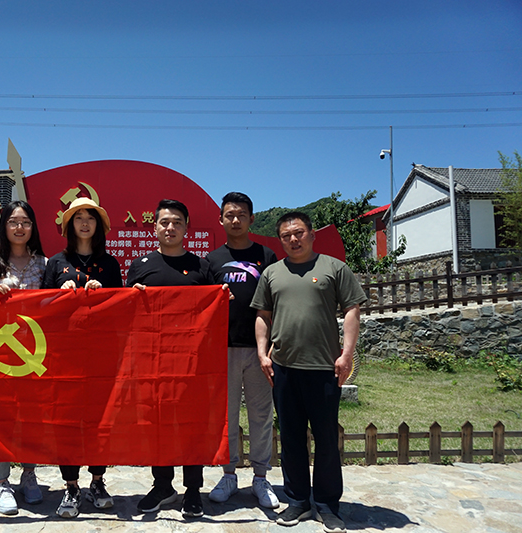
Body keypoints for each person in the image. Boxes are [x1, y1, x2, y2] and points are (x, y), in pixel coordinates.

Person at [252, 211, 366, 533]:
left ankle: (328, 505)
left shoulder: (334, 268)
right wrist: (262, 353)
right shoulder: (272, 273)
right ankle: (298, 500)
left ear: (312, 234)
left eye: (299, 233)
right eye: (286, 235)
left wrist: (346, 354)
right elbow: (262, 315)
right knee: (290, 438)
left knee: (326, 438)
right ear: (280, 240)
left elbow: (352, 309)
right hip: (284, 368)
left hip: (323, 368)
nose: (293, 239)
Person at [126, 198, 215, 519]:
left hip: (192, 360)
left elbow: (213, 311)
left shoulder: (202, 267)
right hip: (153, 359)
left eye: (177, 222)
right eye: (164, 222)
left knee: (191, 424)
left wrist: (223, 299)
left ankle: (193, 490)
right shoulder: (140, 266)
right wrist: (132, 298)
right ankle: (162, 486)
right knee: (158, 424)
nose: (170, 228)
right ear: (155, 227)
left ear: (186, 228)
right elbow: (126, 313)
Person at [42, 197, 122, 519]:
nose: (85, 222)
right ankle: (71, 486)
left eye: (90, 217)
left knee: (100, 419)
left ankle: (98, 482)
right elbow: (40, 308)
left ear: (98, 225)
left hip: (102, 355)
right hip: (65, 356)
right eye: (78, 217)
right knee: (67, 421)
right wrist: (58, 296)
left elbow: (121, 308)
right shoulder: (56, 263)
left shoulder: (110, 264)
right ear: (69, 225)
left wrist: (104, 295)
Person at [0, 200, 47, 516]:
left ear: (33, 227)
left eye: (25, 222)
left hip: (36, 356)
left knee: (31, 418)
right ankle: (1, 482)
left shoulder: (44, 263)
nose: (19, 227)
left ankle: (29, 473)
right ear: (4, 227)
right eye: (13, 222)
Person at [206, 192, 279, 508]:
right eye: (229, 215)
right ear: (221, 220)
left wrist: (273, 345)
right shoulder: (211, 260)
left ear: (251, 219)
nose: (235, 220)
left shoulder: (267, 255)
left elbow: (277, 301)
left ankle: (261, 478)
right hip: (223, 349)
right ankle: (229, 475)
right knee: (227, 415)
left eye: (241, 215)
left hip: (260, 350)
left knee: (261, 415)